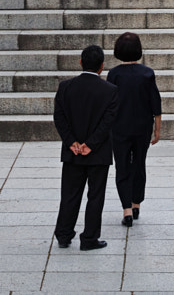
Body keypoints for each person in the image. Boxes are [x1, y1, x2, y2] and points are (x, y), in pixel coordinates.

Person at [53, 45, 119, 251]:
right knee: (95, 195)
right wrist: (91, 144)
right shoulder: (110, 90)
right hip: (97, 153)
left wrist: (71, 141)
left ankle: (64, 234)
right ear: (102, 66)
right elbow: (108, 121)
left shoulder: (66, 87)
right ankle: (89, 237)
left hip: (72, 152)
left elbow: (59, 117)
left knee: (70, 194)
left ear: (81, 62)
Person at [106, 32, 162, 227]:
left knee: (122, 166)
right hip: (142, 126)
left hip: (119, 127)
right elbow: (155, 101)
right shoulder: (147, 73)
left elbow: (109, 103)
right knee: (139, 164)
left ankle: (126, 209)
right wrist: (157, 128)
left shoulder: (113, 74)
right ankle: (136, 203)